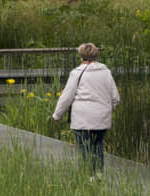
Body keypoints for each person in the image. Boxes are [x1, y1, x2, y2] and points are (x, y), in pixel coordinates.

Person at [52, 42, 121, 176]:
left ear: (81, 56)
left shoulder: (76, 73)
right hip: (102, 118)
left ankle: (89, 175)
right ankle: (99, 175)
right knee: (98, 145)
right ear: (96, 55)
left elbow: (67, 96)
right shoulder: (106, 72)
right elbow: (115, 98)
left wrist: (57, 115)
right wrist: (106, 109)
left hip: (82, 118)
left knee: (85, 148)